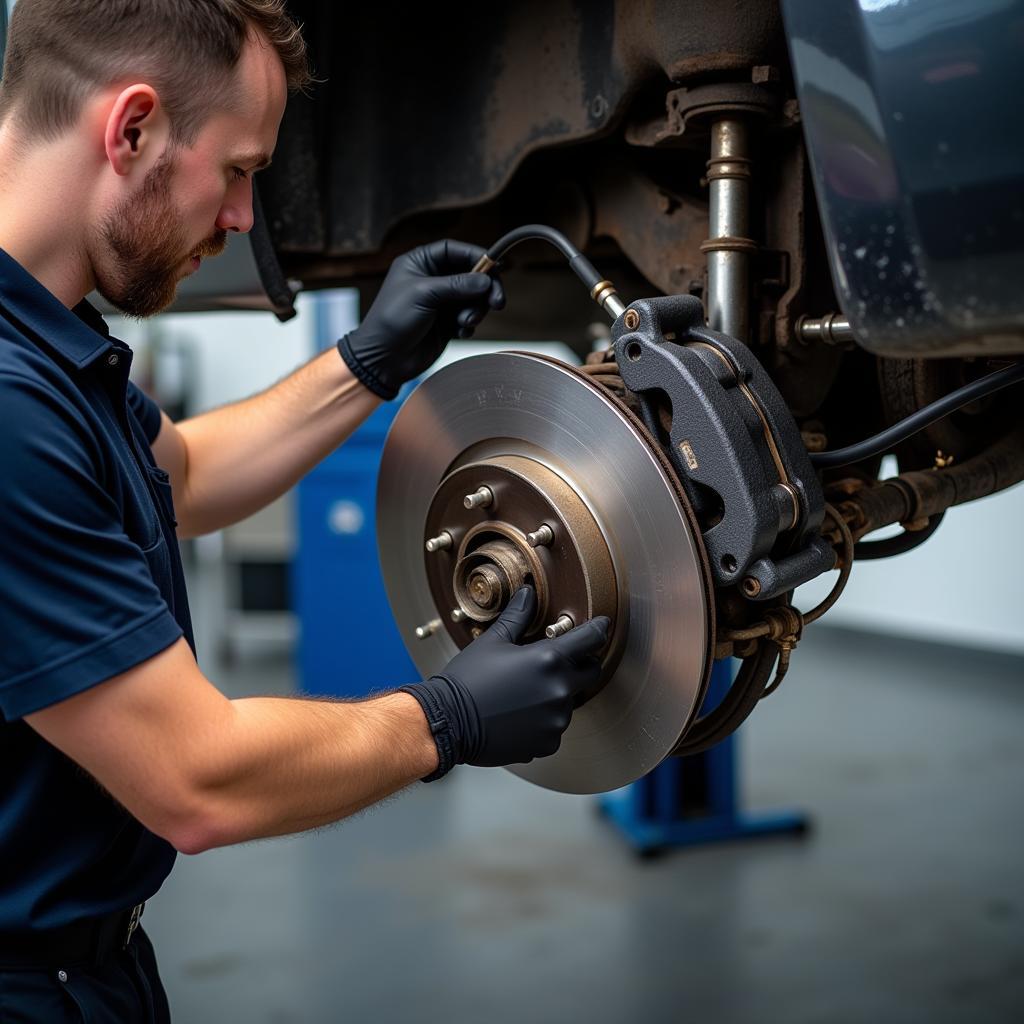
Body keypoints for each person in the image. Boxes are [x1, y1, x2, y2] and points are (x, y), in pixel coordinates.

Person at [0, 1, 610, 1019]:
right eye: (239, 170)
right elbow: (196, 779)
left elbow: (185, 473)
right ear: (132, 127)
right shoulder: (11, 402)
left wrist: (372, 359)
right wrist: (446, 718)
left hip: (89, 965)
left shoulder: (51, 343)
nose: (243, 217)